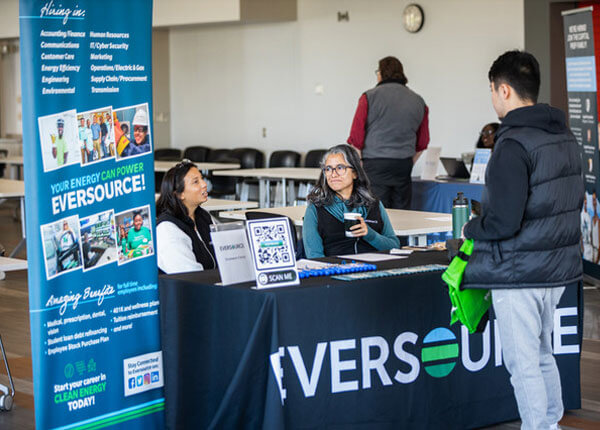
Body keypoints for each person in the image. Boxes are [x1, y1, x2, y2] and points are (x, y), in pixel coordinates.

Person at [461, 50, 583, 429]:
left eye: (492, 91)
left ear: (505, 90)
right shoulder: (563, 137)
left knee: (523, 363)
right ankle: (550, 424)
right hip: (554, 271)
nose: (492, 99)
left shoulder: (512, 144)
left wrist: (469, 228)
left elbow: (503, 222)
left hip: (519, 271)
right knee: (543, 354)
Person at [347, 56, 429, 209]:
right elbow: (423, 141)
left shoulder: (369, 97)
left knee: (376, 214)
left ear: (381, 74)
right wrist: (409, 162)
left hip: (374, 163)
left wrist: (360, 163)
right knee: (402, 214)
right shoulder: (418, 101)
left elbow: (356, 137)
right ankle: (400, 234)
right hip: (403, 164)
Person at [303, 144, 399, 258]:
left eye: (340, 168)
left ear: (355, 173)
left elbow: (394, 246)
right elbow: (315, 257)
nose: (333, 174)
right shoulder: (316, 209)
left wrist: (370, 235)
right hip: (336, 271)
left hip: (373, 270)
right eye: (328, 169)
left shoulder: (373, 203)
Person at [156, 160, 217, 274]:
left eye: (202, 178)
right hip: (191, 289)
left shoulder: (203, 216)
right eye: (195, 182)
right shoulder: (167, 229)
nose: (204, 184)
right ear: (179, 194)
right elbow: (189, 275)